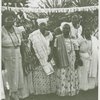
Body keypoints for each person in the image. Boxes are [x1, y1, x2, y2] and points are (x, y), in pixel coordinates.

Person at [28, 18, 56, 95]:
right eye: (41, 25)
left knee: (49, 72)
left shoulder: (50, 34)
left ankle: (49, 90)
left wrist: (51, 54)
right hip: (39, 57)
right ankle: (41, 91)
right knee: (40, 73)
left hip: (48, 56)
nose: (43, 26)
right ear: (38, 25)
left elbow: (52, 45)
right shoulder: (33, 35)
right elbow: (31, 47)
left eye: (44, 25)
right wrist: (35, 56)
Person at [2, 10, 24, 100]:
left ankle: (15, 93)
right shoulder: (1, 31)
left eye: (12, 19)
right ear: (4, 20)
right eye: (8, 19)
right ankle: (9, 94)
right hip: (6, 57)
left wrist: (24, 55)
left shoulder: (17, 30)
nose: (10, 21)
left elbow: (21, 43)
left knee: (18, 74)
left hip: (17, 55)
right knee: (9, 76)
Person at [54, 24, 79, 96]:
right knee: (63, 73)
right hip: (62, 58)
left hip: (72, 58)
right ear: (62, 29)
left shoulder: (73, 38)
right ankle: (62, 91)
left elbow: (77, 49)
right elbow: (55, 50)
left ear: (69, 30)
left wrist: (77, 60)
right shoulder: (58, 38)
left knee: (72, 74)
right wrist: (57, 61)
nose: (66, 30)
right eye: (64, 28)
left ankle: (71, 90)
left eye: (67, 28)